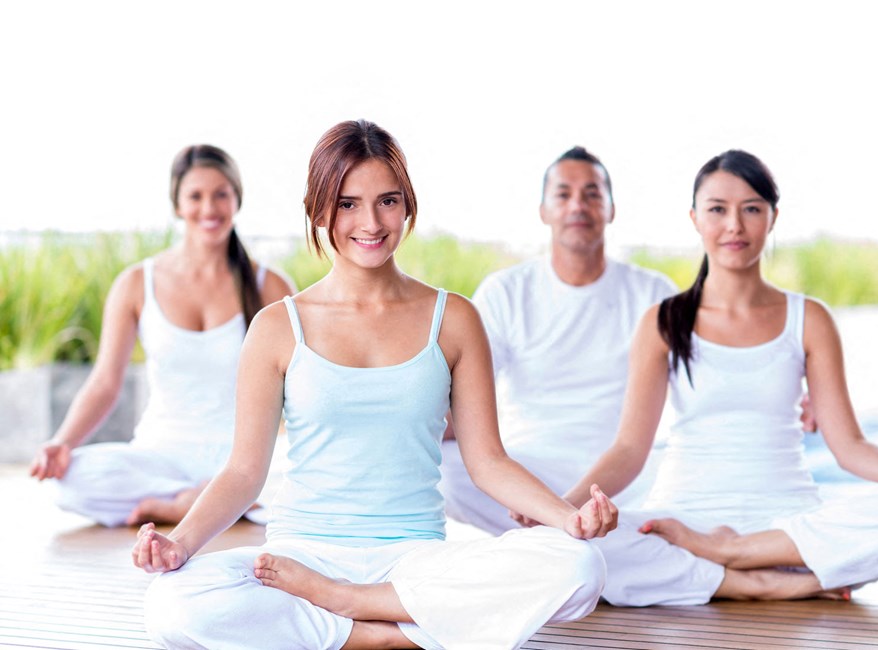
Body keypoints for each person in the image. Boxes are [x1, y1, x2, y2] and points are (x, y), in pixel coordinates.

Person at [132, 120, 615, 650]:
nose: (370, 222)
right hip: (303, 557)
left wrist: (571, 519)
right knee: (171, 605)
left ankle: (352, 609)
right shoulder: (276, 326)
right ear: (319, 210)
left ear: (407, 205)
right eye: (346, 203)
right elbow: (244, 472)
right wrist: (179, 544)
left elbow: (488, 463)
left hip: (415, 561)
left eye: (387, 201)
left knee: (580, 566)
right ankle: (393, 635)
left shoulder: (453, 319)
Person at [548, 149, 878, 606]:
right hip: (685, 520)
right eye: (717, 209)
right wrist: (561, 508)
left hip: (788, 523)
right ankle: (758, 582)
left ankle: (731, 556)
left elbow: (850, 447)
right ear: (695, 218)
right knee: (577, 547)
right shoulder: (662, 321)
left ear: (773, 217)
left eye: (752, 209)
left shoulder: (809, 318)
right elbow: (628, 449)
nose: (734, 226)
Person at [29, 144, 294, 527]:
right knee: (69, 481)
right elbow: (105, 382)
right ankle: (203, 501)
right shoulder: (137, 283)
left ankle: (197, 502)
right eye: (195, 196)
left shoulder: (269, 285)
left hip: (245, 458)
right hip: (162, 454)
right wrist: (63, 443)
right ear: (177, 205)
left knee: (310, 476)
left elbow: (300, 383)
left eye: (221, 194)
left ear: (237, 199)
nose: (209, 208)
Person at [439, 146, 678, 535]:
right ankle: (576, 538)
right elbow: (464, 402)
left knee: (672, 487)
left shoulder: (654, 293)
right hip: (527, 471)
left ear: (612, 209)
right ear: (543, 210)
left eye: (592, 194)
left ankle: (548, 540)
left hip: (626, 475)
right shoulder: (506, 291)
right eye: (563, 194)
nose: (577, 206)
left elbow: (702, 383)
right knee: (444, 472)